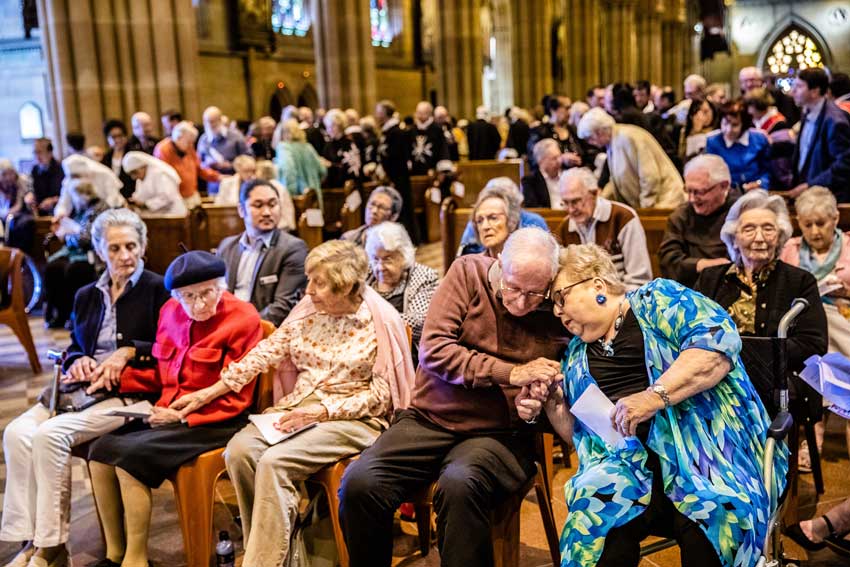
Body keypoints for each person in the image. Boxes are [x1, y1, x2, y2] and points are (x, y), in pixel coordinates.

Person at [518, 243, 787, 567]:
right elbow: (582, 436)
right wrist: (553, 403)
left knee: (715, 518)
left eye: (561, 298)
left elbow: (716, 345)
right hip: (628, 468)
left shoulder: (657, 300)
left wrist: (652, 397)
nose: (558, 312)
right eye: (553, 306)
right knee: (593, 521)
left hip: (706, 456)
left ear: (598, 286)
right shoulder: (575, 357)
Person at [339, 228, 570, 567]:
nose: (522, 303)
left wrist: (538, 403)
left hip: (500, 434)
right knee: (360, 484)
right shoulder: (467, 272)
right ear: (499, 265)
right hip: (431, 418)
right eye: (514, 288)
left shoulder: (556, 304)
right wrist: (511, 373)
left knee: (460, 485)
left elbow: (561, 382)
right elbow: (435, 351)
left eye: (535, 293)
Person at [221, 239, 414, 566]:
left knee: (274, 462)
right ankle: (282, 553)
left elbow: (382, 398)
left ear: (347, 286)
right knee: (239, 452)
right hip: (302, 406)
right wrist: (219, 385)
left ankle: (262, 563)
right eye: (309, 279)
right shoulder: (308, 310)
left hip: (353, 419)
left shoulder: (380, 320)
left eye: (319, 283)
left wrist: (322, 411)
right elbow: (268, 351)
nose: (308, 290)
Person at [0, 209, 167, 567]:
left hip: (131, 393)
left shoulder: (158, 288)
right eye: (115, 248)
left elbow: (170, 348)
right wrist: (78, 359)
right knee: (16, 433)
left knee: (50, 436)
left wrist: (128, 351)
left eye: (131, 246)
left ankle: (51, 545)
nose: (125, 256)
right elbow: (76, 343)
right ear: (100, 251)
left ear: (143, 247)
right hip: (82, 389)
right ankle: (32, 540)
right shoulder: (86, 294)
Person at [86, 251, 263, 567]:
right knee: (100, 451)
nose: (198, 304)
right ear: (176, 296)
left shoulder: (243, 316)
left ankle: (136, 559)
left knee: (129, 459)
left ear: (221, 286)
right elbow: (164, 372)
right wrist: (115, 378)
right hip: (168, 411)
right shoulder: (170, 312)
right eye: (188, 296)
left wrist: (183, 415)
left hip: (218, 419)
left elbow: (240, 394)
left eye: (207, 293)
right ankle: (115, 554)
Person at [694, 189, 827, 440]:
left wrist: (755, 357)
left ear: (780, 237)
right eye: (749, 229)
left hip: (777, 380)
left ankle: (759, 473)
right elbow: (690, 330)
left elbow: (813, 343)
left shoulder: (800, 282)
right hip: (716, 375)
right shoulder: (711, 279)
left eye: (768, 228)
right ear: (734, 238)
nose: (759, 237)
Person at [780, 186, 850, 469]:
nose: (815, 231)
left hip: (844, 315)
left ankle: (818, 437)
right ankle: (812, 437)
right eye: (807, 224)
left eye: (821, 223)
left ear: (835, 219)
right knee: (813, 345)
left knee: (829, 337)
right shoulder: (791, 249)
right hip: (804, 323)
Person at [217, 179, 308, 326]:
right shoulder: (227, 246)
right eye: (258, 205)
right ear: (241, 210)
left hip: (262, 329)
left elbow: (282, 307)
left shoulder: (293, 248)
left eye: (272, 205)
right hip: (227, 323)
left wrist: (242, 328)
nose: (267, 212)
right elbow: (218, 294)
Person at [557, 167, 651, 289]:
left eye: (575, 201)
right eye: (565, 203)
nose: (570, 209)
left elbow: (639, 280)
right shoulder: (564, 228)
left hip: (622, 298)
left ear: (595, 194)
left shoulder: (623, 218)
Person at [578, 108, 686, 209]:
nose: (591, 143)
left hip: (665, 200)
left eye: (590, 139)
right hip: (652, 202)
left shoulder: (627, 138)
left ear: (599, 132)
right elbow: (616, 181)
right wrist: (600, 200)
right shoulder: (613, 142)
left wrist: (646, 205)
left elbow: (649, 175)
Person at [364, 221, 438, 364]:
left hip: (405, 357)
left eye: (387, 259)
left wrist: (370, 320)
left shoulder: (423, 276)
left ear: (404, 256)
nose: (380, 267)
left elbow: (418, 323)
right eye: (375, 259)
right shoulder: (365, 275)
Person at [658, 154, 735, 287]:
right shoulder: (680, 217)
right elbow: (667, 260)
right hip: (689, 290)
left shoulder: (742, 213)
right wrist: (701, 265)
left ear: (724, 186)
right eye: (688, 191)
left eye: (700, 192)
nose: (692, 199)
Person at [43, 181, 109, 328]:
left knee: (75, 271)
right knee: (53, 268)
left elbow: (86, 239)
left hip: (93, 253)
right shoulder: (80, 208)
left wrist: (65, 237)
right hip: (75, 250)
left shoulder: (99, 207)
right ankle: (61, 313)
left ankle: (77, 314)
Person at [789, 68, 850, 201]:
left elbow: (844, 165)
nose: (792, 91)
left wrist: (810, 185)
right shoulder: (807, 111)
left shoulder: (835, 121)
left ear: (815, 91)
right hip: (808, 196)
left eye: (799, 87)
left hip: (826, 198)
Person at [458, 177, 550, 256]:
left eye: (493, 218)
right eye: (479, 221)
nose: (485, 226)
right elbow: (465, 251)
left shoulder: (534, 221)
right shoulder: (468, 263)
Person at [705, 101, 772, 191]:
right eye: (725, 124)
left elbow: (768, 169)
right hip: (726, 193)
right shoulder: (712, 141)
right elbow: (712, 173)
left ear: (744, 125)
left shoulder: (759, 138)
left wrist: (760, 183)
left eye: (735, 125)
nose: (728, 130)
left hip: (757, 190)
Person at [374, 100, 416, 241]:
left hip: (398, 178)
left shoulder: (397, 132)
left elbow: (397, 157)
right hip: (391, 177)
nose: (376, 115)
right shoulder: (387, 132)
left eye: (378, 112)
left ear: (385, 114)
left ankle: (406, 239)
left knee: (402, 209)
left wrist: (388, 174)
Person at [154, 120, 220, 209]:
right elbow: (164, 177)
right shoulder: (162, 150)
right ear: (179, 137)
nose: (191, 145)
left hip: (192, 195)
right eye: (189, 142)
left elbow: (199, 168)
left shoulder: (189, 148)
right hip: (175, 199)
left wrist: (217, 177)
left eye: (192, 142)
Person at [274, 118, 327, 208]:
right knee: (314, 222)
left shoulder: (284, 148)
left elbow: (288, 172)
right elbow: (322, 170)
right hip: (314, 198)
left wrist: (290, 194)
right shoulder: (308, 147)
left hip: (299, 200)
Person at [527, 95, 586, 172]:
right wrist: (560, 159)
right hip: (551, 179)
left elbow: (586, 155)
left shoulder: (574, 130)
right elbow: (535, 160)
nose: (570, 112)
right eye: (567, 108)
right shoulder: (540, 132)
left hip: (576, 175)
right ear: (553, 110)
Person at [54, 154, 125, 219]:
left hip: (112, 210)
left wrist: (100, 212)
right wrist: (60, 213)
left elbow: (113, 197)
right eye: (74, 177)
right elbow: (64, 202)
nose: (76, 179)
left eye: (78, 176)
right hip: (88, 214)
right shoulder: (70, 180)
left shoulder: (104, 174)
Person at [197, 106, 249, 193]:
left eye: (212, 122)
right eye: (206, 122)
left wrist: (230, 165)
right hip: (214, 186)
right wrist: (208, 164)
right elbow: (199, 163)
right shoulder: (203, 140)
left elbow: (248, 159)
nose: (210, 125)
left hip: (235, 184)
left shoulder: (236, 136)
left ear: (220, 120)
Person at [121, 151, 187, 216]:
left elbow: (167, 197)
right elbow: (141, 195)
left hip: (173, 215)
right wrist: (133, 202)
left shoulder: (160, 174)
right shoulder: (141, 178)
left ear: (143, 166)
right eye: (131, 174)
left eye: (135, 172)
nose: (133, 177)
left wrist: (145, 204)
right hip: (156, 217)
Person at [323, 109, 363, 187]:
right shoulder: (328, 145)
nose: (328, 130)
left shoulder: (348, 143)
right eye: (327, 127)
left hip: (348, 187)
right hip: (332, 187)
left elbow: (352, 169)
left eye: (330, 127)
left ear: (338, 125)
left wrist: (331, 165)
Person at [0, 159, 34, 251]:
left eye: (10, 173)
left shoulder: (21, 181)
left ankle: (19, 255)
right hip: (4, 216)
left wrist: (29, 197)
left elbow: (22, 204)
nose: (8, 177)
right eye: (4, 174)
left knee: (24, 224)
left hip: (21, 215)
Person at [409, 101, 449, 175]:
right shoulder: (412, 130)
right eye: (417, 112)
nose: (418, 115)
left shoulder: (437, 129)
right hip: (415, 169)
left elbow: (442, 149)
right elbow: (407, 148)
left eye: (421, 113)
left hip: (432, 169)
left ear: (428, 113)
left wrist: (439, 170)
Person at [522, 139, 564, 209]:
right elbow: (533, 208)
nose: (559, 161)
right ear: (541, 160)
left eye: (560, 156)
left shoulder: (567, 176)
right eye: (554, 158)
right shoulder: (530, 181)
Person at [27, 138, 64, 216]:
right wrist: (30, 195)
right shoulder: (34, 169)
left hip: (58, 210)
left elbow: (66, 195)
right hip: (40, 210)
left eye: (40, 152)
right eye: (35, 152)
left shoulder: (61, 168)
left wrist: (53, 200)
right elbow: (31, 189)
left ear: (50, 153)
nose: (37, 156)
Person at [101, 119, 134, 200]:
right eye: (113, 137)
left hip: (130, 197)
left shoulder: (132, 155)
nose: (118, 140)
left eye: (120, 135)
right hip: (112, 198)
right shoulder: (106, 158)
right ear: (108, 139)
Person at [678, 99, 715, 164]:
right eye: (698, 112)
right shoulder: (686, 131)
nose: (702, 116)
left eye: (706, 111)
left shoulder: (718, 130)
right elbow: (683, 157)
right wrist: (695, 131)